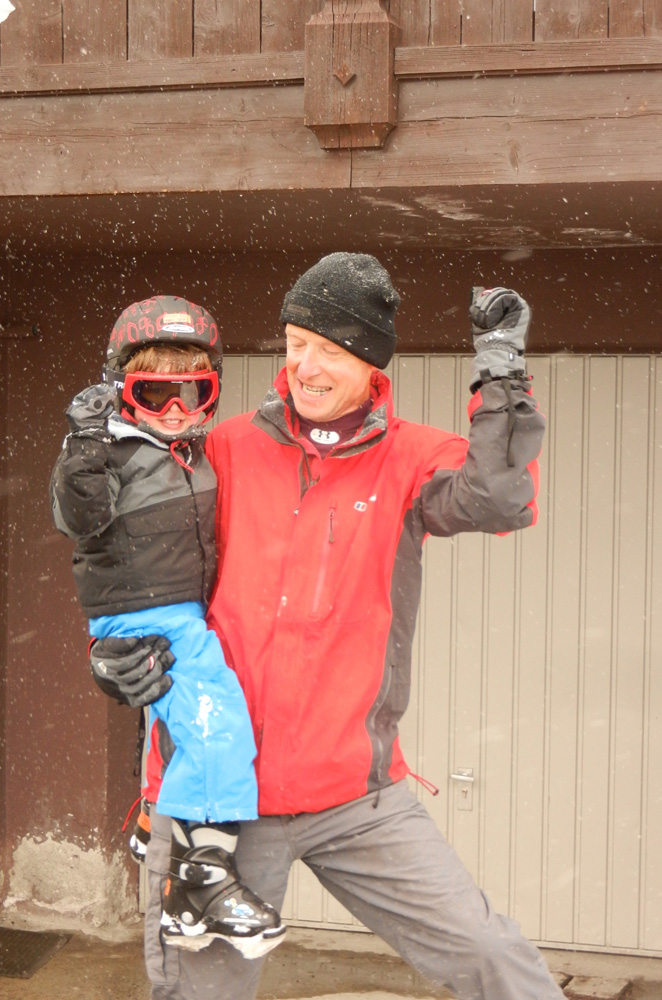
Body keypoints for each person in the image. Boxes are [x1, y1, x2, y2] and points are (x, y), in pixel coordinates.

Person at [93, 254, 566, 1000]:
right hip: (221, 800)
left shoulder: (411, 460)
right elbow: (133, 556)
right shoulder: (224, 449)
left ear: (372, 364)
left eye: (331, 350)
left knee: (490, 958)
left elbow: (500, 500)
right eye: (295, 343)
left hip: (358, 797)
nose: (306, 367)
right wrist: (113, 649)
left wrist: (500, 373)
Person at [50, 295, 285, 960]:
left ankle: (163, 840)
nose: (177, 412)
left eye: (193, 393)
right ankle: (203, 870)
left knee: (179, 726)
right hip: (147, 610)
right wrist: (86, 441)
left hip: (178, 606)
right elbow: (80, 515)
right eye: (157, 395)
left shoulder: (195, 450)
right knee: (219, 720)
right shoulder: (113, 451)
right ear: (124, 393)